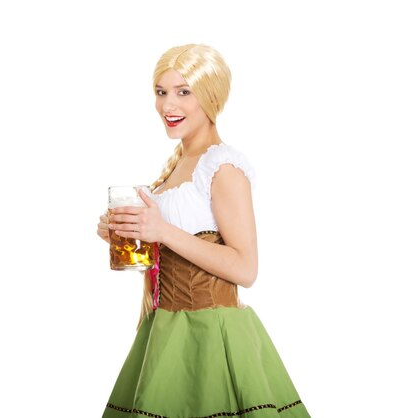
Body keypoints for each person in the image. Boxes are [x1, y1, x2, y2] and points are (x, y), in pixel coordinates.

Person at [96, 44, 311, 418]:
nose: (168, 106)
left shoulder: (222, 166)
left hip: (212, 334)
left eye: (183, 92)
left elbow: (246, 269)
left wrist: (161, 231)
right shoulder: (174, 169)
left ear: (209, 96)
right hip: (164, 332)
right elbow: (167, 256)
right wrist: (128, 235)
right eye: (161, 92)